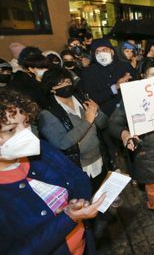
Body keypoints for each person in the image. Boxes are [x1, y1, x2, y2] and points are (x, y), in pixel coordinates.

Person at [0, 88, 105, 254]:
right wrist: (67, 218)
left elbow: (78, 177)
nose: (26, 134)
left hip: (84, 243)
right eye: (10, 130)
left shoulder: (40, 149)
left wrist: (77, 203)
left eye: (26, 123)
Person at [109, 58, 154, 228]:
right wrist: (125, 134)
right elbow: (114, 122)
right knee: (153, 189)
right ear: (143, 77)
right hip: (148, 155)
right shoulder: (132, 98)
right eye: (152, 75)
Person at [39, 67, 108, 190]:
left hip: (99, 157)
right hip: (78, 166)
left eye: (68, 82)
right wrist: (87, 121)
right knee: (86, 196)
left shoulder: (83, 99)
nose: (66, 85)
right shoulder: (48, 114)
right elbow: (62, 143)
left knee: (102, 192)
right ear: (52, 89)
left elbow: (103, 124)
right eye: (60, 84)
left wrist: (97, 112)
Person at [80, 38, 133, 116]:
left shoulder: (125, 66)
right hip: (108, 117)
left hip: (129, 111)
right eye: (97, 52)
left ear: (112, 51)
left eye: (104, 50)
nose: (101, 54)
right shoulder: (89, 72)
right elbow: (93, 97)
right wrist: (114, 87)